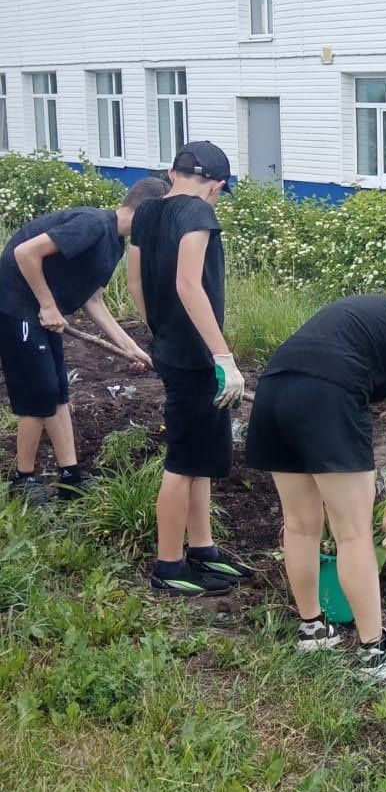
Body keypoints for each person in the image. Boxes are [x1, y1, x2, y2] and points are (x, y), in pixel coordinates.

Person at [244, 269, 386, 679]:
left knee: (300, 525)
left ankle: (313, 628)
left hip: (273, 391)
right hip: (327, 397)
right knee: (352, 534)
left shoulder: (374, 308)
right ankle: (374, 650)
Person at [127, 142, 252, 599]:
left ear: (171, 171)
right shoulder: (199, 215)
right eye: (220, 191)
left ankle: (202, 549)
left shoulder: (145, 213)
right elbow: (187, 283)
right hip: (197, 357)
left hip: (170, 348)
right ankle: (168, 565)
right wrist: (223, 356)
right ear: (217, 185)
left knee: (200, 455)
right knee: (183, 461)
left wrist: (159, 330)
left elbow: (135, 284)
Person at [0, 178, 168, 503]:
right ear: (147, 213)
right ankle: (23, 479)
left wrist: (129, 347)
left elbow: (94, 301)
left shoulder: (115, 244)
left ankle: (70, 476)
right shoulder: (92, 224)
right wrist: (48, 305)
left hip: (42, 312)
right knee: (39, 393)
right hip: (16, 304)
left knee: (58, 389)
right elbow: (24, 252)